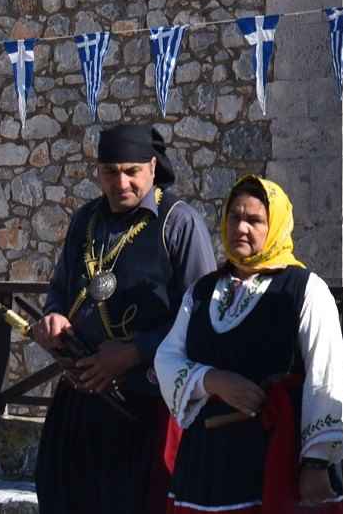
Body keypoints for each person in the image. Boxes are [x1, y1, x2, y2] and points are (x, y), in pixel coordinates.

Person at [32, 125, 216, 514]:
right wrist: (53, 319)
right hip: (81, 398)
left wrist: (135, 352)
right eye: (111, 172)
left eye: (132, 171)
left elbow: (200, 319)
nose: (122, 183)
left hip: (147, 406)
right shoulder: (86, 220)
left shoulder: (178, 224)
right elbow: (62, 289)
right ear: (98, 171)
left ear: (152, 166)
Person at [154, 175, 343, 513]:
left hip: (275, 454)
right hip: (206, 461)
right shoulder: (201, 292)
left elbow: (325, 378)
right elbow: (167, 358)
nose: (241, 228)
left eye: (255, 220)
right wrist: (209, 379)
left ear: (274, 226)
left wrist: (316, 462)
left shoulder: (304, 290)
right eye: (234, 217)